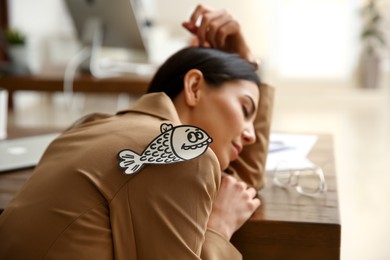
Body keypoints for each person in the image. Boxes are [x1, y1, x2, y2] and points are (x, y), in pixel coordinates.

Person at [0, 4, 273, 259]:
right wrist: (219, 229)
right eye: (245, 108)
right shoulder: (183, 158)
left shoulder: (91, 125)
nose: (250, 135)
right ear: (194, 88)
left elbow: (239, 188)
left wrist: (247, 64)